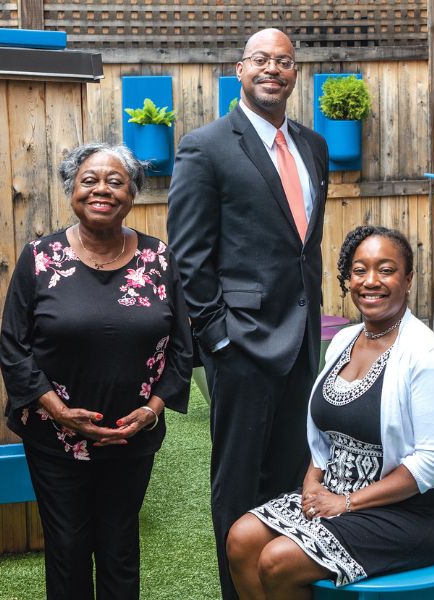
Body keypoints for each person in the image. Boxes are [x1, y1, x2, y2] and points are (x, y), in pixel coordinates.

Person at [166, 28, 329, 598]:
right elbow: (188, 255)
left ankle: (284, 586)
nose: (273, 69)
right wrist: (217, 338)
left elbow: (302, 245)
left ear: (294, 73)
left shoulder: (313, 146)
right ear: (240, 69)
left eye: (284, 61)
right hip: (240, 344)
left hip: (304, 342)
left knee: (293, 474)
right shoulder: (205, 146)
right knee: (238, 485)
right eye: (261, 59)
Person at [225, 226, 434, 599]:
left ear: (408, 280)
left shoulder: (429, 360)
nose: (371, 281)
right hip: (337, 494)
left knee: (278, 560)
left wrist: (346, 503)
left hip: (414, 513)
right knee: (241, 538)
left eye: (386, 270)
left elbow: (432, 462)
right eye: (359, 270)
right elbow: (323, 438)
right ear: (348, 279)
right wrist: (311, 484)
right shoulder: (343, 341)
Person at [0, 143, 192, 600]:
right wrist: (59, 411)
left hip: (133, 435)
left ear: (132, 193)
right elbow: (14, 348)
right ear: (72, 189)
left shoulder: (158, 260)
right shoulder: (39, 258)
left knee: (120, 546)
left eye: (115, 180)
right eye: (89, 181)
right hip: (55, 437)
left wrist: (153, 409)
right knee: (67, 546)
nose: (101, 190)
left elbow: (182, 348)